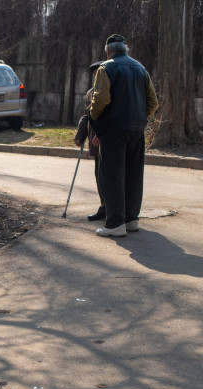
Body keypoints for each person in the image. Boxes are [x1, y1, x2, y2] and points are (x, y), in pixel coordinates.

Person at [90, 34, 158, 237]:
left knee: (112, 174)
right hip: (136, 129)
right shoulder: (141, 68)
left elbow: (101, 98)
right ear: (125, 49)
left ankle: (115, 223)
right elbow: (153, 102)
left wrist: (94, 116)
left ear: (108, 50)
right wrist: (138, 118)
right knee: (133, 174)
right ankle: (131, 220)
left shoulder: (106, 68)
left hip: (113, 129)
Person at [74, 61, 105, 221]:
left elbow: (109, 116)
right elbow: (86, 116)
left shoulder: (109, 91)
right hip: (94, 141)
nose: (96, 77)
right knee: (99, 175)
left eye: (98, 73)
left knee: (109, 176)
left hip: (106, 139)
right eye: (94, 75)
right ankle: (104, 207)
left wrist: (101, 134)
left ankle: (114, 209)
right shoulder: (90, 93)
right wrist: (80, 135)